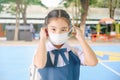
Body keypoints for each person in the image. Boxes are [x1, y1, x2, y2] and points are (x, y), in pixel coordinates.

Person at [33, 9, 98, 80]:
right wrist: (42, 39)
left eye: (63, 29)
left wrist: (81, 39)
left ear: (69, 30)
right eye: (53, 29)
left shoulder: (74, 52)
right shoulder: (41, 51)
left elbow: (93, 62)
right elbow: (39, 64)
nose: (58, 33)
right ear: (46, 29)